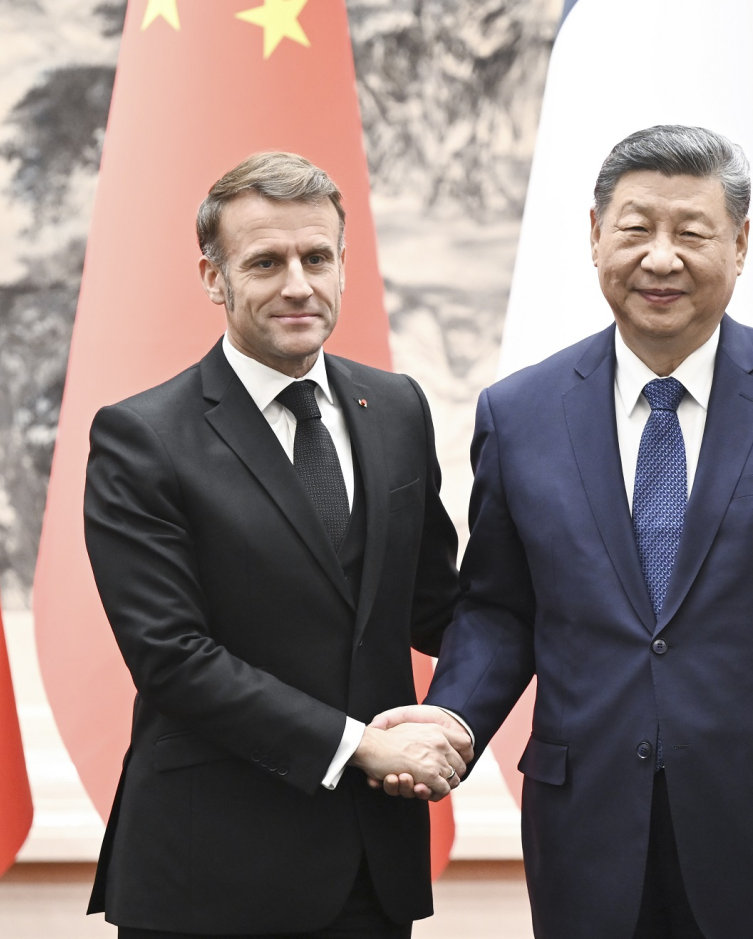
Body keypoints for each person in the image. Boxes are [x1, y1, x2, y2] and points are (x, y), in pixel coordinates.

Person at [373, 125, 753, 938]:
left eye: (693, 232)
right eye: (636, 228)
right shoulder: (520, 413)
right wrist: (453, 719)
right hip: (590, 832)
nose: (661, 258)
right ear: (595, 235)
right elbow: (501, 608)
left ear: (741, 245)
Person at [83, 151, 471, 939]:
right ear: (212, 275)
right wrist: (359, 746)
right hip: (208, 875)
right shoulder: (141, 437)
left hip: (371, 866)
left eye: (317, 257)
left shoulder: (396, 408)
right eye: (266, 261)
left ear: (341, 265)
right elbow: (172, 656)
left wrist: (555, 640)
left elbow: (435, 606)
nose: (298, 284)